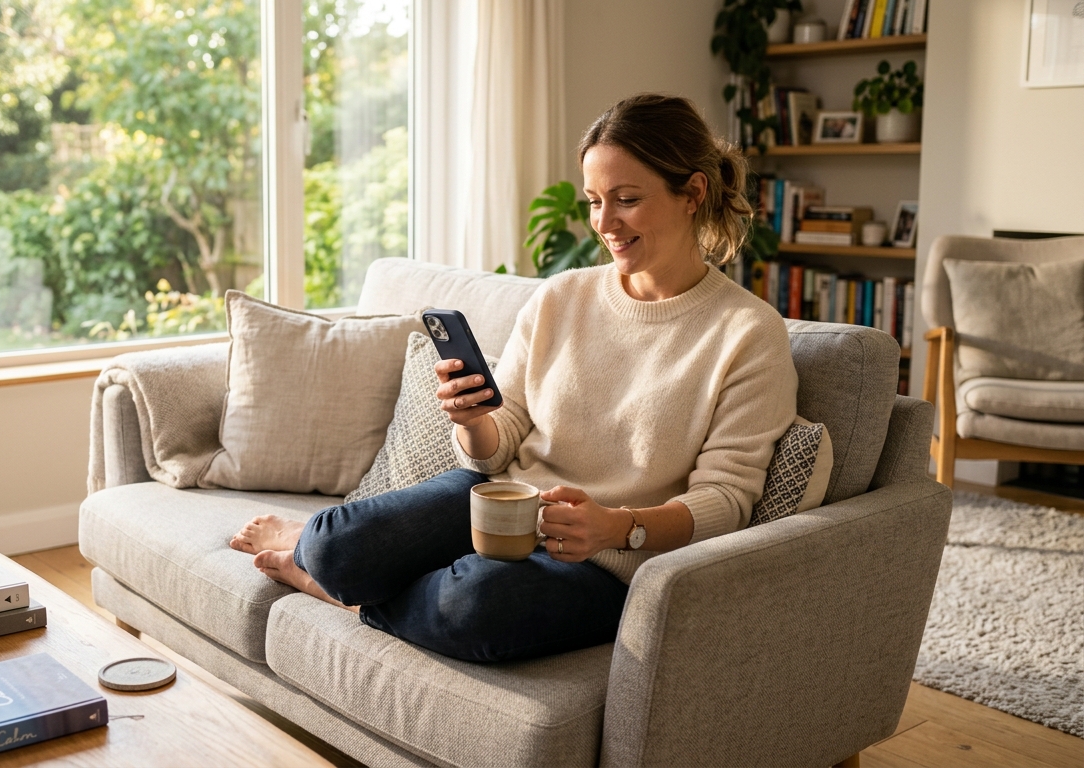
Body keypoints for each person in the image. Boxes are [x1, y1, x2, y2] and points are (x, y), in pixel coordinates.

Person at [229, 94, 798, 663]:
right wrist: (474, 421)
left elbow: (728, 500)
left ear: (693, 193)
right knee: (332, 545)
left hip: (608, 559)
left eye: (627, 200)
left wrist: (617, 527)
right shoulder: (561, 297)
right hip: (507, 499)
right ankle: (324, 568)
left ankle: (336, 595)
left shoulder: (748, 334)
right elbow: (498, 441)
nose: (604, 223)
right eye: (595, 201)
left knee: (471, 606)